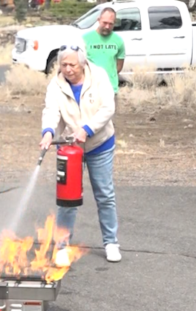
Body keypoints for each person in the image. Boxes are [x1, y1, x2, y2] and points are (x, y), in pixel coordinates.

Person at [39, 44, 121, 264]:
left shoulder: (99, 76)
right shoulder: (56, 85)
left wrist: (86, 130)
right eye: (63, 64)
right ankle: (63, 246)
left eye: (72, 64)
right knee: (68, 198)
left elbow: (108, 108)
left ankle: (111, 242)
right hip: (69, 148)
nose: (67, 69)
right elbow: (51, 111)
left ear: (82, 63)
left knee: (104, 194)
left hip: (99, 144)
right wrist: (48, 132)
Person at [82, 7, 125, 94]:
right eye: (104, 23)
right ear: (98, 20)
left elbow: (119, 66)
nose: (107, 26)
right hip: (91, 89)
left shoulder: (119, 41)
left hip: (111, 89)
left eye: (111, 24)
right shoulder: (85, 39)